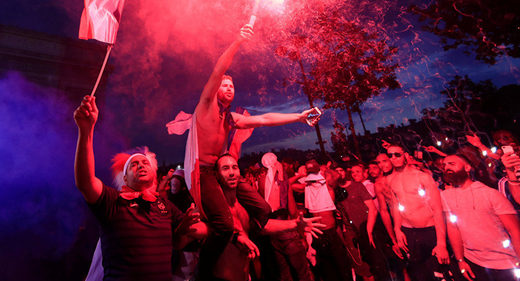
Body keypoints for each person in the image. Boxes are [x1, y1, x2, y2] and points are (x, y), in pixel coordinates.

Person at [186, 23, 320, 278]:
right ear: (215, 90)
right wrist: (237, 41)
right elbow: (218, 70)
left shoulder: (231, 118)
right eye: (225, 85)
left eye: (232, 87)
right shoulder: (204, 107)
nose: (228, 88)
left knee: (263, 209)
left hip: (219, 172)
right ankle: (204, 272)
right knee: (224, 226)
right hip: (202, 174)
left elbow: (265, 119)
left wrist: (298, 117)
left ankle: (250, 236)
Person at [74, 96, 204, 281]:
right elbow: (85, 182)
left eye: (144, 162)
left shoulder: (164, 205)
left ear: (153, 172)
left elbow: (194, 229)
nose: (141, 165)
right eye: (133, 165)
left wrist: (189, 229)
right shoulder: (112, 201)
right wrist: (86, 130)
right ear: (125, 178)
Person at [213, 154, 324, 281]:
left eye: (234, 167)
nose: (231, 172)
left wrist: (296, 224)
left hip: (255, 259)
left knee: (286, 275)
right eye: (225, 168)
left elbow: (262, 224)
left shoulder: (248, 198)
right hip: (224, 273)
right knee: (299, 274)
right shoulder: (217, 207)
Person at [441, 154, 520, 281]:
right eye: (444, 165)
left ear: (467, 168)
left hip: (505, 263)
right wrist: (460, 259)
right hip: (473, 263)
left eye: (452, 164)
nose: (446, 168)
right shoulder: (446, 196)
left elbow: (515, 231)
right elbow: (453, 229)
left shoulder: (491, 194)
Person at [384, 145, 449, 281]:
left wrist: (441, 242)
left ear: (405, 155)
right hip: (409, 233)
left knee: (440, 275)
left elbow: (438, 209)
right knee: (419, 275)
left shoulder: (423, 177)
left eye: (397, 154)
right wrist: (397, 229)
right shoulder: (390, 180)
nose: (393, 158)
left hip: (430, 230)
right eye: (390, 155)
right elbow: (395, 207)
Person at [292, 159, 353, 281]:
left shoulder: (328, 186)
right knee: (327, 270)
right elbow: (290, 185)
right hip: (317, 234)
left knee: (342, 267)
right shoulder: (307, 187)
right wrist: (301, 175)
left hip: (330, 231)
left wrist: (326, 168)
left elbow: (336, 175)